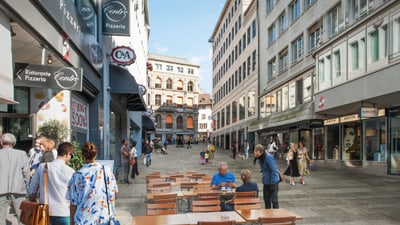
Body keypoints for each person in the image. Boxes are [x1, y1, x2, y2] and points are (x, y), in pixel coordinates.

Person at [67, 142, 118, 225]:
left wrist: (72, 221)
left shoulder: (77, 175)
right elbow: (114, 194)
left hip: (82, 220)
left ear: (83, 155)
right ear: (95, 155)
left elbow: (73, 203)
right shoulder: (107, 171)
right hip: (104, 219)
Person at [28, 142, 75, 225]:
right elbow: (73, 195)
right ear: (67, 154)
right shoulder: (70, 171)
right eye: (71, 156)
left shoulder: (42, 167)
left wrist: (33, 199)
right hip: (63, 211)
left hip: (45, 211)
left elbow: (32, 189)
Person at [0, 133, 30, 224]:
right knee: (21, 214)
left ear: (1, 142)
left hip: (1, 187)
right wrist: (24, 183)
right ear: (14, 143)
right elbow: (26, 172)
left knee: (0, 214)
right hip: (18, 187)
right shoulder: (22, 154)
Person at [253, 144, 280, 209]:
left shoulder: (268, 157)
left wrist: (272, 184)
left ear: (261, 152)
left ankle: (276, 215)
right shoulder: (260, 158)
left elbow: (274, 170)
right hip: (266, 181)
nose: (255, 153)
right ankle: (268, 215)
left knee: (274, 200)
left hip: (273, 181)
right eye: (255, 151)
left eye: (257, 152)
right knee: (266, 200)